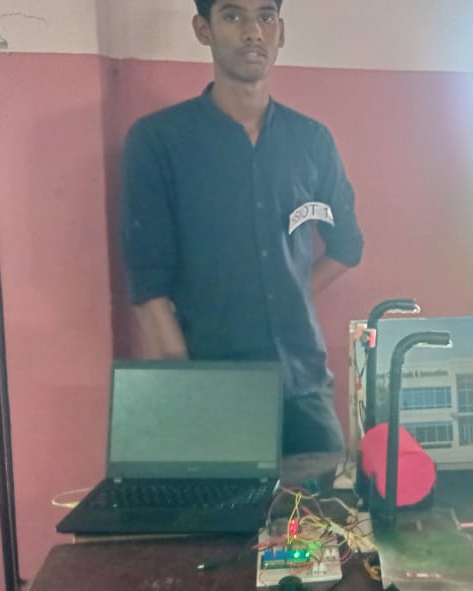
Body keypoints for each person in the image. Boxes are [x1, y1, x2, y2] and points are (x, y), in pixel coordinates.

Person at [121, 0, 362, 453]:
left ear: (280, 32)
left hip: (304, 383)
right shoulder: (159, 141)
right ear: (203, 29)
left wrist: (290, 291)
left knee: (323, 498)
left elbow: (346, 246)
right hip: (214, 386)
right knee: (221, 503)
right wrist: (186, 383)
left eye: (265, 17)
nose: (253, 31)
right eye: (233, 16)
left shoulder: (311, 140)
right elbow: (147, 282)